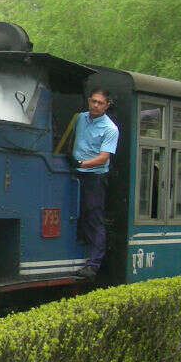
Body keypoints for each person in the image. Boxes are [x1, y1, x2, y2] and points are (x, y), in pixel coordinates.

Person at [73, 88, 119, 279]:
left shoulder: (110, 129)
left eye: (100, 103)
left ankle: (93, 265)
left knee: (94, 218)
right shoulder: (80, 118)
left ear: (107, 105)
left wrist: (81, 164)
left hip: (95, 177)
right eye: (93, 101)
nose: (95, 105)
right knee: (76, 214)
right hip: (75, 173)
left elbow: (103, 158)